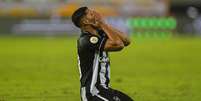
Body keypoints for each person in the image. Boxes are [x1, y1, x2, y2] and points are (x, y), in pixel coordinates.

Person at [72, 7, 134, 101]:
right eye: (91, 13)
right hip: (93, 92)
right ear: (85, 21)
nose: (96, 14)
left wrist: (103, 26)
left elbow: (126, 41)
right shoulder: (86, 40)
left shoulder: (100, 33)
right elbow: (118, 45)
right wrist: (102, 24)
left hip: (103, 90)